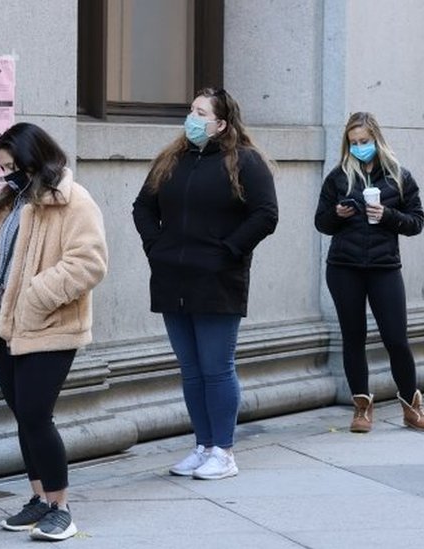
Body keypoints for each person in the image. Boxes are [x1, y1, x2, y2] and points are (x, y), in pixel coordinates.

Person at [0, 123, 108, 541]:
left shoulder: (72, 201)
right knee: (24, 418)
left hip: (49, 326)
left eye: (12, 166)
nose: (7, 174)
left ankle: (61, 508)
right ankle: (39, 499)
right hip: (4, 326)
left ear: (34, 158)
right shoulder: (8, 202)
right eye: (2, 167)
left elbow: (89, 262)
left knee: (37, 416)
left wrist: (35, 295)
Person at [132, 88, 278, 480]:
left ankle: (223, 451)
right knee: (191, 370)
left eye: (200, 112)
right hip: (172, 277)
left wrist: (227, 251)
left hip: (218, 280)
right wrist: (155, 247)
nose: (191, 118)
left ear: (221, 123)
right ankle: (202, 445)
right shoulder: (172, 159)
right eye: (191, 110)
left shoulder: (245, 161)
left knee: (216, 368)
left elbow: (265, 215)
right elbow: (143, 206)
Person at [314, 112, 424, 433]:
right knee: (353, 338)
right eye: (353, 143)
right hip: (344, 267)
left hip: (384, 267)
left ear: (377, 140)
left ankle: (412, 407)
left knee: (396, 339)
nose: (358, 147)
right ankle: (361, 409)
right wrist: (337, 214)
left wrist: (387, 215)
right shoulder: (338, 177)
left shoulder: (399, 176)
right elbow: (321, 223)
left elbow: (416, 222)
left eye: (364, 142)